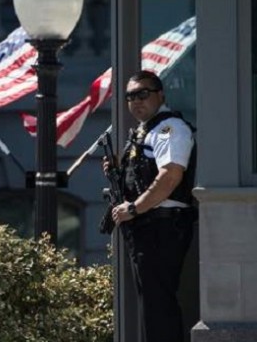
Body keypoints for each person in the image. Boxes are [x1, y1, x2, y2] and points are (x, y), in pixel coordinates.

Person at [103, 70, 197, 342]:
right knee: (152, 303)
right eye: (130, 96)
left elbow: (170, 176)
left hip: (162, 225)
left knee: (158, 303)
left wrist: (134, 208)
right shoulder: (144, 132)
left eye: (143, 93)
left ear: (160, 95)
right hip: (147, 226)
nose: (136, 100)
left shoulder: (169, 129)